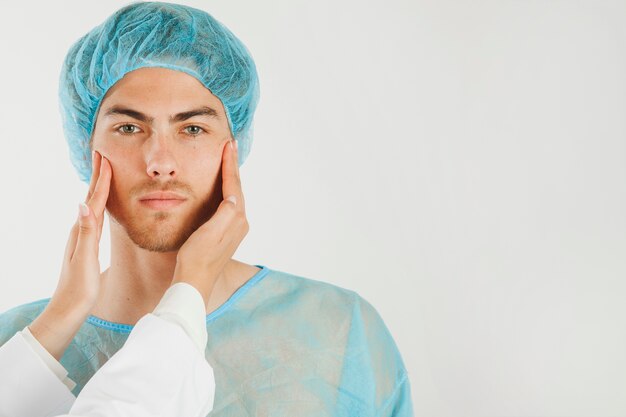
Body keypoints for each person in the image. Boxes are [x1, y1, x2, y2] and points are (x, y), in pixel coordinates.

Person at [0, 2, 414, 416]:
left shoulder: (339, 331)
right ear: (86, 144)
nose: (160, 161)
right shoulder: (19, 344)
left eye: (192, 128)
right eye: (129, 127)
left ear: (232, 146)